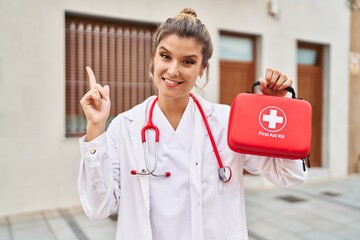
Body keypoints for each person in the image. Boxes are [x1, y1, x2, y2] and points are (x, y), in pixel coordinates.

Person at [78, 8, 307, 240]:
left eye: (188, 61)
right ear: (153, 58)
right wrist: (96, 129)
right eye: (165, 56)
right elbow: (98, 208)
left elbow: (289, 175)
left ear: (202, 69)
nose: (173, 70)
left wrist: (279, 109)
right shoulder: (125, 127)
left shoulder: (227, 122)